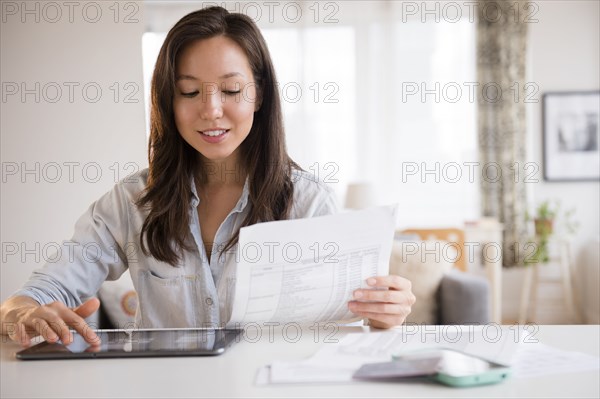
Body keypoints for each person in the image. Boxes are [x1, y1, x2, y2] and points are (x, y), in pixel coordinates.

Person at [0, 6, 415, 347]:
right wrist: (23, 312)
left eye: (231, 91)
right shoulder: (131, 202)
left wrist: (381, 317)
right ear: (169, 99)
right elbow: (31, 296)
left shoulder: (307, 202)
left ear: (260, 94)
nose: (211, 109)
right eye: (190, 91)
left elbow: (338, 333)